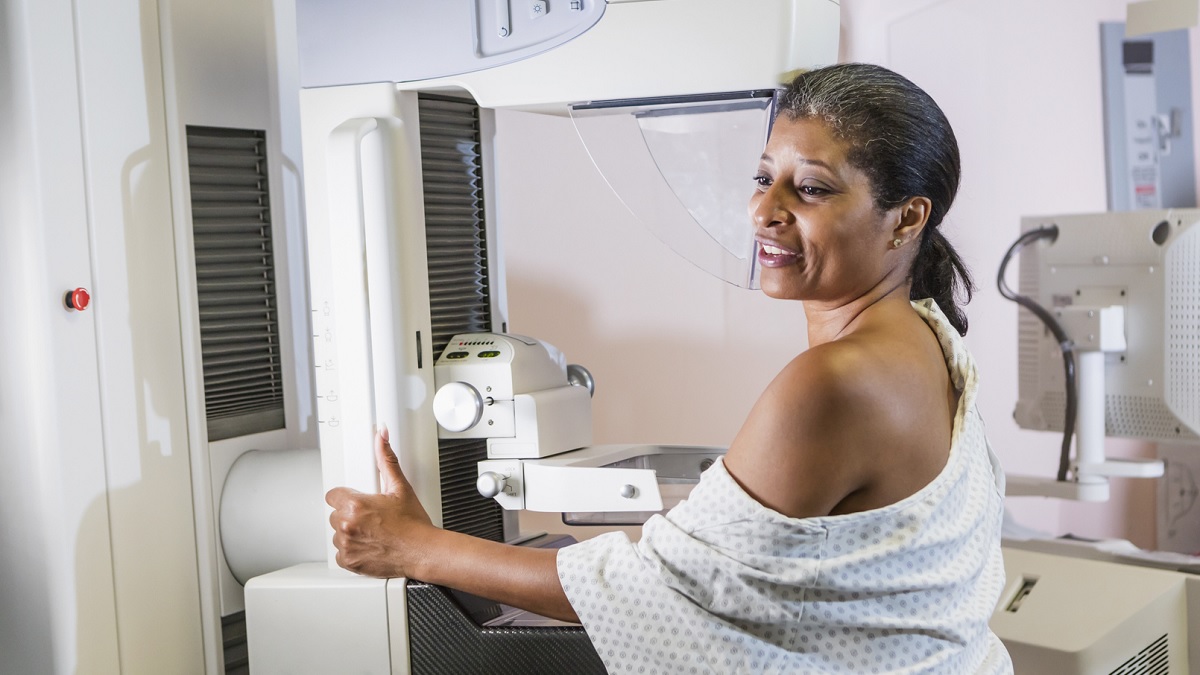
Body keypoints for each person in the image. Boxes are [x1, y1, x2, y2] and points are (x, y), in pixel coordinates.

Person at [326, 63, 1012, 673]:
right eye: (763, 177)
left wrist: (413, 548)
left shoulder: (837, 381)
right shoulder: (929, 337)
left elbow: (658, 591)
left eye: (811, 190)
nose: (765, 212)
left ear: (905, 219)